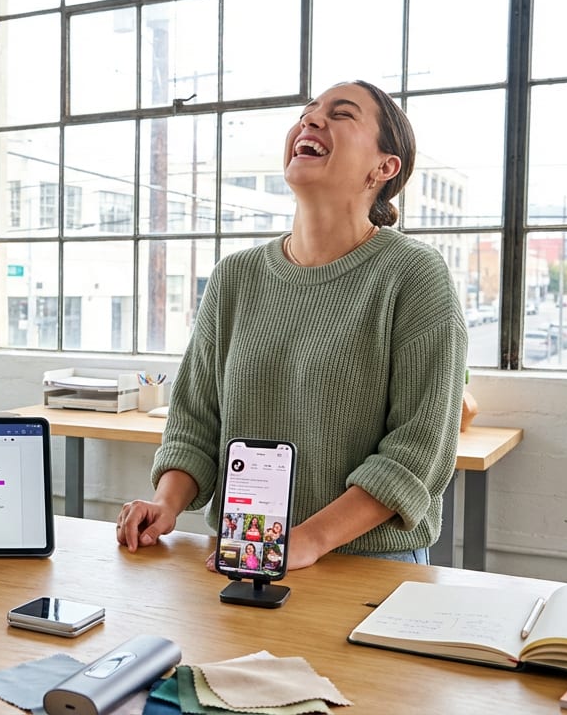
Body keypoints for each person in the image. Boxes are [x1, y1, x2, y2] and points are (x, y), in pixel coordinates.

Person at [117, 80, 466, 569]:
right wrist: (166, 503)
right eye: (307, 112)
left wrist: (306, 540)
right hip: (240, 552)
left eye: (342, 115)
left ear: (384, 168)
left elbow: (417, 452)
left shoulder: (414, 275)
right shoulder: (235, 276)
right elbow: (195, 420)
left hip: (365, 566)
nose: (311, 120)